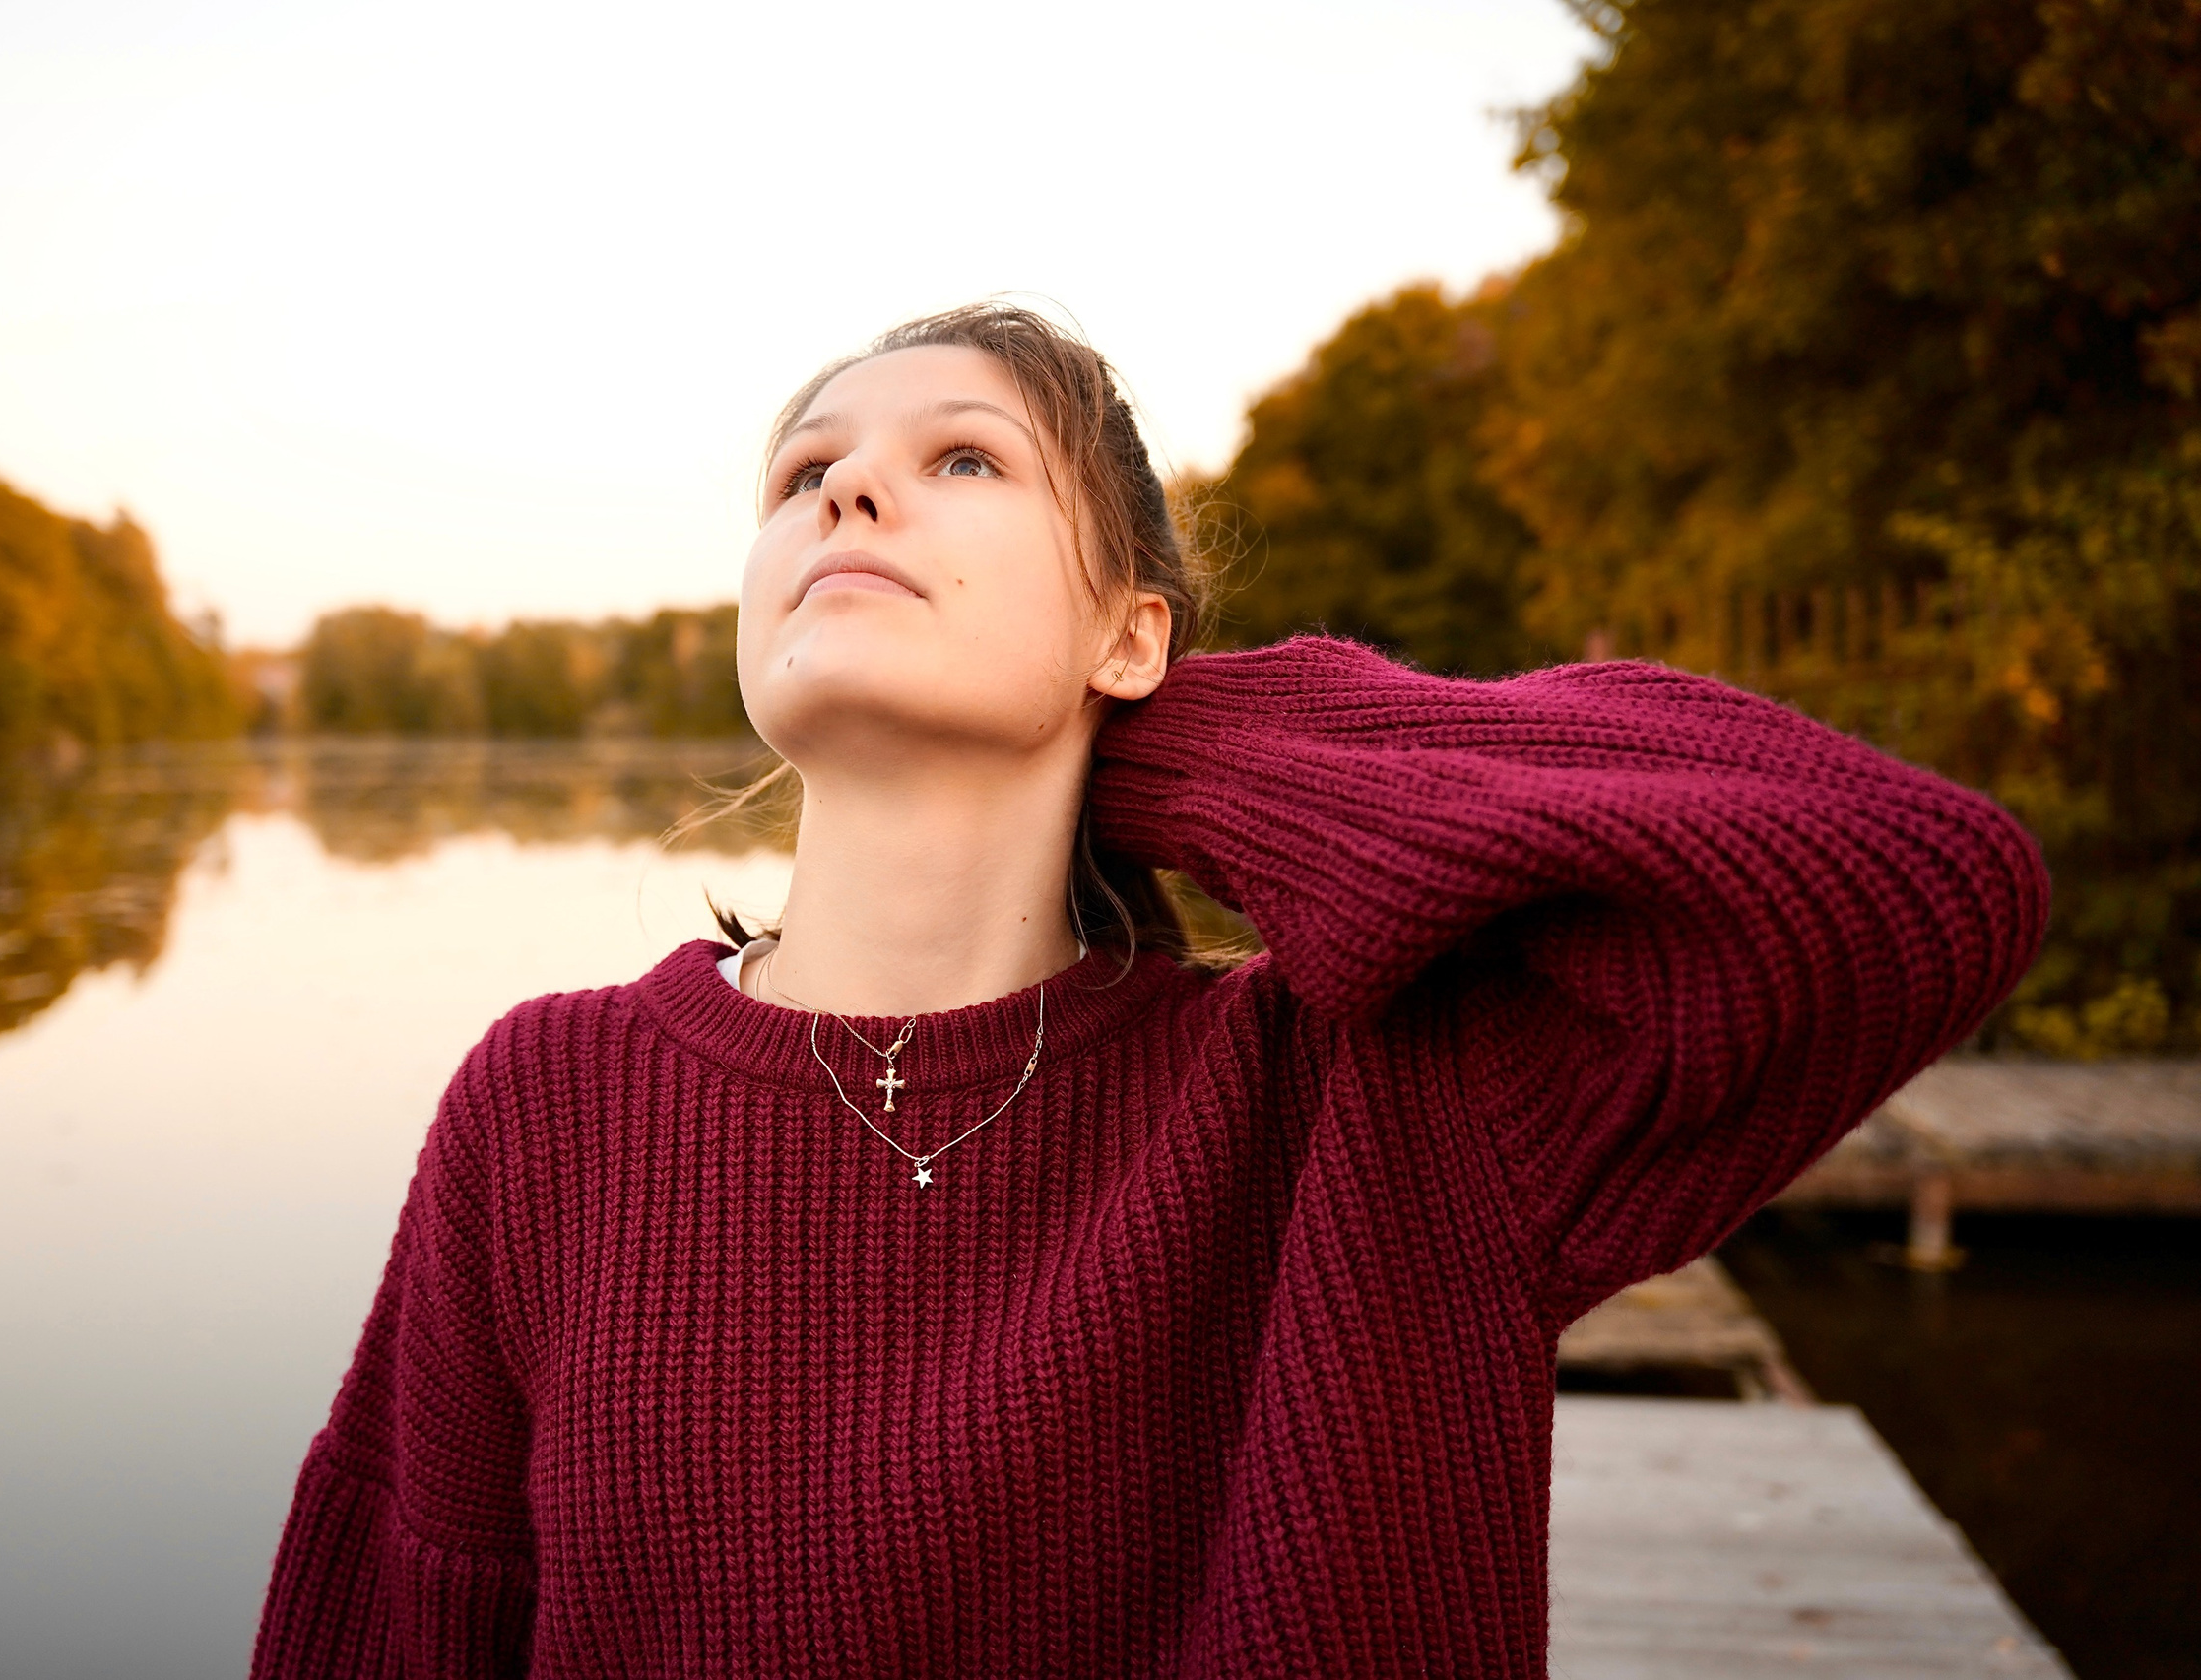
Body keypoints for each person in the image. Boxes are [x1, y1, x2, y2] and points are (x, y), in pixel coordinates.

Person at [250, 303, 2048, 1677]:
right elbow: (387, 1632)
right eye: (804, 475)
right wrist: (1043, 676)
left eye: (963, 460)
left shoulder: (1351, 1091)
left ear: (1131, 629)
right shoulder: (548, 1101)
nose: (848, 490)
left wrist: (1190, 736)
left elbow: (1903, 882)